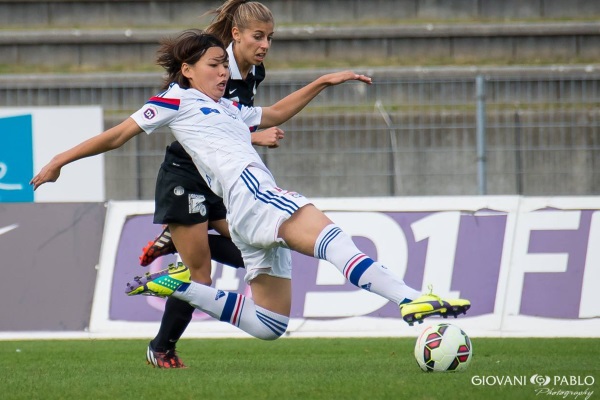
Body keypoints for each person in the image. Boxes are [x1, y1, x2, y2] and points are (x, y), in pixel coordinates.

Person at [30, 30, 471, 349]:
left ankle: (176, 285)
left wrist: (321, 82)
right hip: (254, 194)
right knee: (334, 240)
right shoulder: (174, 100)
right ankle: (411, 299)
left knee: (270, 323)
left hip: (241, 215)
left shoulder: (227, 108)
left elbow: (275, 113)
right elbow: (116, 135)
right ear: (186, 69)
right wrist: (57, 162)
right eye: (213, 65)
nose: (223, 72)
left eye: (225, 65)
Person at [139, 0, 280, 369]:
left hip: (215, 177)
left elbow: (231, 123)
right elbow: (201, 126)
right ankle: (161, 347)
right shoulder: (212, 70)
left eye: (269, 37)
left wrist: (252, 134)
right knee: (200, 275)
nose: (264, 45)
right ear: (237, 35)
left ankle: (182, 241)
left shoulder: (253, 72)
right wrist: (256, 137)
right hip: (186, 173)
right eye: (258, 37)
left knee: (249, 246)